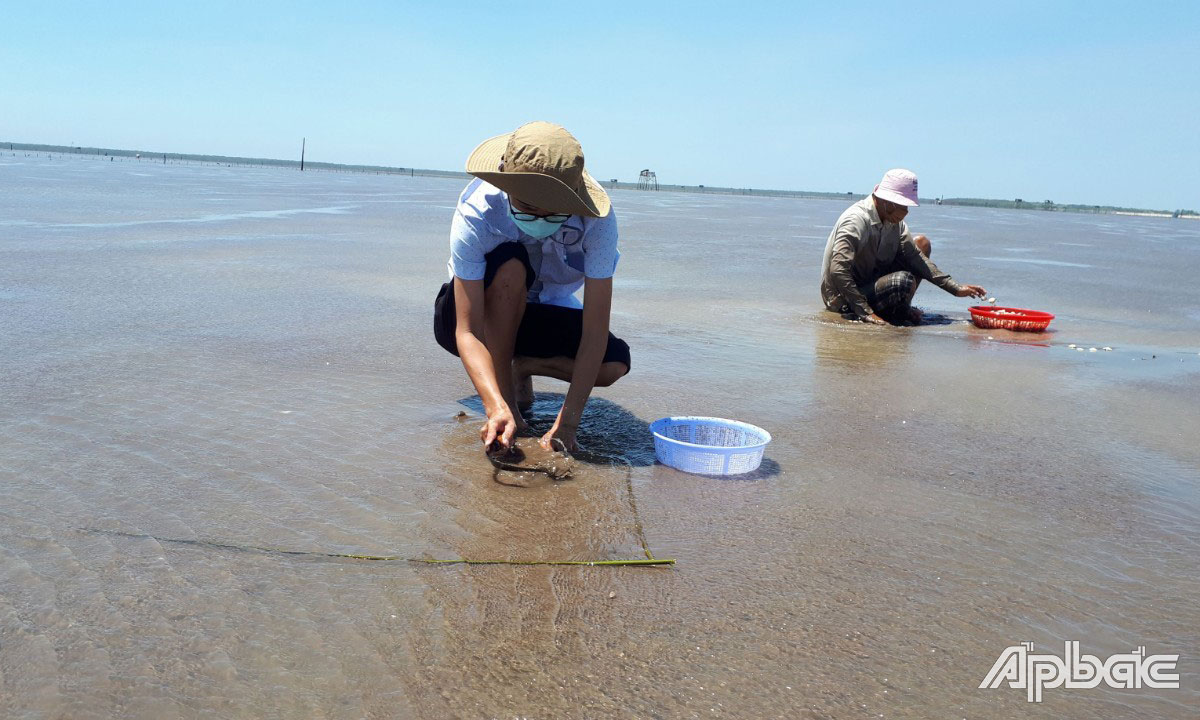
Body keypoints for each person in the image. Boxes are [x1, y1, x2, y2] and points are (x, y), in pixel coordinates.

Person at [433, 122, 630, 453]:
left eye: (553, 212)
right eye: (527, 207)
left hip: (543, 307)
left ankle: (520, 365)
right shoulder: (478, 211)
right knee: (510, 263)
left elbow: (595, 331)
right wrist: (496, 405)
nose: (539, 218)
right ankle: (507, 400)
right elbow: (466, 332)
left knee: (613, 363)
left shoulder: (597, 222)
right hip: (475, 311)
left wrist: (567, 425)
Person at [820, 168, 986, 325]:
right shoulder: (856, 221)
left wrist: (955, 288)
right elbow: (838, 270)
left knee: (922, 244)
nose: (906, 211)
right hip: (845, 298)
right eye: (903, 206)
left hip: (872, 284)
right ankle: (892, 312)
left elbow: (915, 257)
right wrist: (866, 312)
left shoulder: (895, 223)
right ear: (887, 202)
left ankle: (900, 309)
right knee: (903, 281)